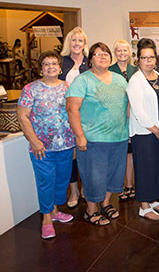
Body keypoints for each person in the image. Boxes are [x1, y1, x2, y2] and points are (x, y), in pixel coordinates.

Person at [66, 42, 129, 226]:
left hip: (119, 136)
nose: (103, 57)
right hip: (93, 139)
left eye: (106, 54)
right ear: (90, 59)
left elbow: (127, 106)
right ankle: (91, 210)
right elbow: (72, 109)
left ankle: (106, 203)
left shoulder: (119, 79)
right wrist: (80, 136)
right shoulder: (82, 80)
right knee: (94, 176)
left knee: (114, 174)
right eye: (98, 54)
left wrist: (128, 129)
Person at [17, 51, 75, 239]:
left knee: (61, 181)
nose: (50, 67)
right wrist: (34, 141)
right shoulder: (30, 89)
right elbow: (23, 116)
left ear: (60, 67)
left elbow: (74, 113)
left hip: (65, 144)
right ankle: (47, 219)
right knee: (46, 182)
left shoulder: (68, 87)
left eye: (54, 63)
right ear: (40, 68)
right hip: (42, 147)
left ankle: (56, 212)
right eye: (46, 64)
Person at [127, 38, 159, 220]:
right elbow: (138, 111)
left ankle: (153, 200)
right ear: (138, 59)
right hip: (145, 133)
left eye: (151, 57)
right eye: (144, 58)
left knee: (158, 167)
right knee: (145, 168)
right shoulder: (135, 81)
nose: (149, 61)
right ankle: (144, 206)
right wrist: (156, 130)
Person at [59, 27, 90, 208]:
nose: (77, 44)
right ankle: (74, 191)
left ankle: (86, 187)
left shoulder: (90, 62)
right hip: (66, 115)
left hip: (87, 114)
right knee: (71, 154)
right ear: (68, 42)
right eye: (74, 40)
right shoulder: (60, 62)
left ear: (85, 44)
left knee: (86, 151)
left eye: (81, 41)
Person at [109, 39, 136, 201]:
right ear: (115, 53)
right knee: (119, 153)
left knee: (130, 153)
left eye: (125, 50)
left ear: (129, 53)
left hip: (133, 115)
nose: (122, 53)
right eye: (119, 51)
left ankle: (130, 185)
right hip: (116, 116)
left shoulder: (135, 69)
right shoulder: (110, 70)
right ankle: (118, 186)